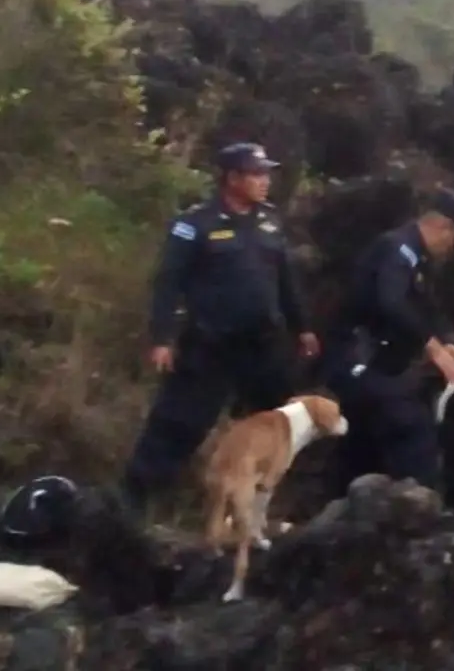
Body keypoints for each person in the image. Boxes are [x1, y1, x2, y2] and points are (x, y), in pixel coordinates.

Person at [120, 143, 317, 517]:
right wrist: (162, 338)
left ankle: (254, 507)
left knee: (274, 424)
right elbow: (167, 282)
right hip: (211, 345)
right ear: (232, 178)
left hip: (263, 345)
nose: (265, 181)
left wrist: (302, 327)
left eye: (266, 173)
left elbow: (285, 280)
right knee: (179, 423)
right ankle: (136, 501)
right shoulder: (195, 224)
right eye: (257, 174)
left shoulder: (271, 221)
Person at [321, 188, 454, 497]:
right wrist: (432, 348)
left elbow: (427, 308)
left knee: (361, 446)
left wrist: (449, 343)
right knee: (412, 428)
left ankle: (341, 512)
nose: (453, 248)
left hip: (380, 362)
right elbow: (390, 302)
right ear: (444, 228)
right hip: (355, 360)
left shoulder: (418, 260)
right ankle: (424, 517)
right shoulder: (397, 248)